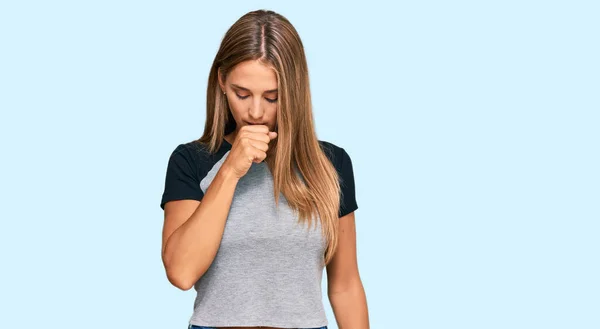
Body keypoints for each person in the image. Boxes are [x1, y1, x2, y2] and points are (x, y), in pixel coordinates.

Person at [160, 9, 369, 329]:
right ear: (222, 82)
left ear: (295, 91)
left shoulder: (332, 164)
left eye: (272, 97)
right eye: (242, 94)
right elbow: (181, 272)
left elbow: (344, 286)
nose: (255, 112)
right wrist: (230, 169)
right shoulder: (192, 160)